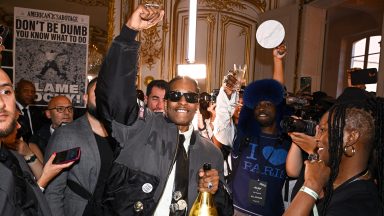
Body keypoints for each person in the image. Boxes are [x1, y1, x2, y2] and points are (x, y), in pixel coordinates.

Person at [95, 5, 233, 215]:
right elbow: (114, 94)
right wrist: (129, 32)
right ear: (167, 102)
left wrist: (216, 192)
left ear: (197, 104)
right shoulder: (141, 127)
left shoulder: (211, 153)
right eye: (175, 95)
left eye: (191, 97)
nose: (183, 101)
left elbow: (223, 210)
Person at [284, 88, 384, 216]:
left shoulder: (357, 206)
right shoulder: (336, 186)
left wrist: (311, 187)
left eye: (324, 130)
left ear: (350, 138)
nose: (317, 138)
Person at [44, 78, 115, 216]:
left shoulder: (120, 135)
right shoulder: (66, 134)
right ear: (85, 98)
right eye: (97, 93)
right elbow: (53, 191)